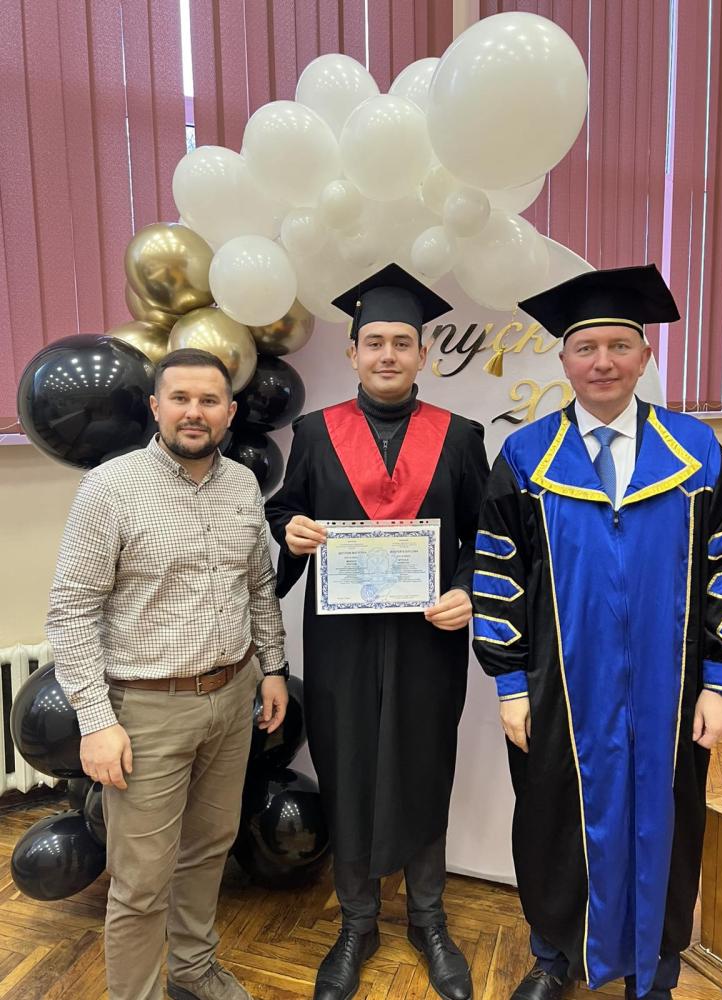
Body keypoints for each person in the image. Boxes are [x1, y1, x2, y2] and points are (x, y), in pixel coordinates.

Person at [472, 264, 722, 1000]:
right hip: (559, 689)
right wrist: (509, 684)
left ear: (645, 355)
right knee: (552, 822)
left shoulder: (695, 452)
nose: (603, 362)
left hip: (672, 688)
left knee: (669, 826)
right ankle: (553, 957)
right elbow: (497, 574)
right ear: (564, 360)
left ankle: (654, 974)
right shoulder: (527, 457)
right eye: (587, 347)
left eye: (619, 346)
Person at [265, 263, 489, 1000]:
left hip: (428, 637)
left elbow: (485, 538)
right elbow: (282, 514)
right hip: (343, 640)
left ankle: (428, 918)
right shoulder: (314, 433)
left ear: (423, 355)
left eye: (402, 343)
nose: (388, 355)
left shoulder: (460, 437)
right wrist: (291, 532)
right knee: (349, 763)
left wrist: (466, 590)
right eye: (374, 343)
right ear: (353, 353)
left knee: (425, 763)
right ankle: (357, 922)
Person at [47, 348, 289, 1000]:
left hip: (232, 696)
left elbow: (257, 587)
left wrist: (272, 668)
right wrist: (96, 721)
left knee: (210, 848)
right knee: (141, 880)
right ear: (156, 407)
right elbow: (71, 611)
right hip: (146, 711)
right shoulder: (112, 488)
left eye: (209, 400)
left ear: (230, 412)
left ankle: (194, 969)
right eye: (180, 398)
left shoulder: (242, 485)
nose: (194, 412)